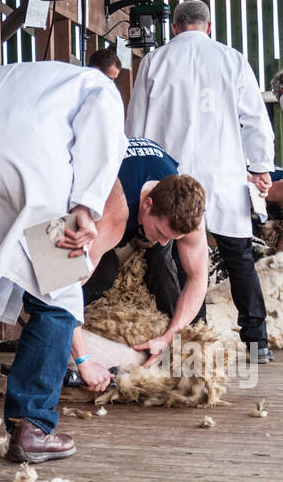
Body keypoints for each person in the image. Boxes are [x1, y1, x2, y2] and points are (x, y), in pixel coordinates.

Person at [0, 60, 127, 463]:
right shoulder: (95, 83)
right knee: (57, 301)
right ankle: (31, 425)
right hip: (34, 179)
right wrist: (87, 207)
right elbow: (103, 139)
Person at [125, 0, 275, 361]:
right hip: (222, 172)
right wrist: (261, 165)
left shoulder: (154, 60)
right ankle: (257, 342)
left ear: (174, 28)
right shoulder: (232, 58)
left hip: (170, 177)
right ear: (209, 26)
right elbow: (254, 117)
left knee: (174, 257)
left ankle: (197, 338)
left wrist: (135, 169)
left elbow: (135, 125)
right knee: (238, 256)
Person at [70, 138, 208, 390]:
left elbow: (198, 278)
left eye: (173, 237)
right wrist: (84, 361)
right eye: (161, 231)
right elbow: (63, 287)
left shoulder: (189, 212)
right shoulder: (115, 212)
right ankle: (59, 343)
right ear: (147, 205)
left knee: (163, 257)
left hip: (147, 191)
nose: (165, 240)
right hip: (87, 196)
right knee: (102, 272)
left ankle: (179, 347)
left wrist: (169, 337)